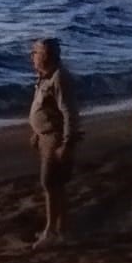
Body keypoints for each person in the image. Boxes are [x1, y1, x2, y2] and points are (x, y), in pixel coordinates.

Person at [29, 37, 80, 246]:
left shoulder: (59, 77)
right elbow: (45, 109)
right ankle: (61, 230)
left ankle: (51, 231)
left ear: (46, 55)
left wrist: (66, 143)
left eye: (35, 53)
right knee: (55, 184)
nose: (32, 57)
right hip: (46, 136)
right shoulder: (44, 76)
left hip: (55, 138)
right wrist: (37, 132)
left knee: (51, 183)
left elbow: (69, 112)